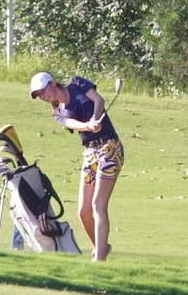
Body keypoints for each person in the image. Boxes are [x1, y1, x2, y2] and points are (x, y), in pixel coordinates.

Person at [30, 71, 121, 262]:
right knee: (83, 212)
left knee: (98, 205)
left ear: (52, 83)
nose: (42, 96)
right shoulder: (58, 112)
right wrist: (89, 126)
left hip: (110, 147)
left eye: (42, 91)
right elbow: (73, 124)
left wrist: (96, 118)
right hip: (90, 153)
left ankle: (99, 258)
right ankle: (102, 247)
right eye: (38, 95)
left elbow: (99, 100)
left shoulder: (76, 83)